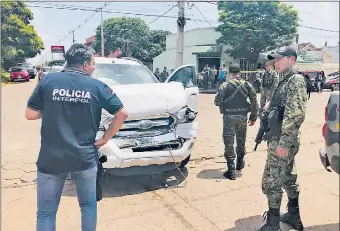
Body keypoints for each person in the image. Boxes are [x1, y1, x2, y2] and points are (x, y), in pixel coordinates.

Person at [25, 43, 128, 231]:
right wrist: (105, 138)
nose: (94, 68)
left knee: (46, 212)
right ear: (85, 64)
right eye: (94, 64)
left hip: (51, 158)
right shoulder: (97, 86)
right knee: (88, 206)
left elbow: (30, 114)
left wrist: (52, 109)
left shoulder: (48, 81)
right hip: (84, 158)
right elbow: (122, 114)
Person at [257, 46, 307, 231]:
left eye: (279, 59)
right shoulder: (284, 80)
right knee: (288, 177)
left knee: (270, 181)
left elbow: (296, 114)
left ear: (291, 59)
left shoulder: (295, 80)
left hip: (283, 140)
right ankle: (294, 215)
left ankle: (273, 224)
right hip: (283, 138)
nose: (275, 62)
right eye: (274, 60)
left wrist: (284, 143)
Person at [214, 63, 258, 180]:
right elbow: (255, 102)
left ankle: (231, 170)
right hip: (243, 117)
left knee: (229, 143)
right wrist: (253, 117)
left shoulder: (225, 85)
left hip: (229, 117)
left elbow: (217, 101)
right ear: (240, 73)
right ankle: (239, 163)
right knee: (241, 140)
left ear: (230, 73)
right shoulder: (247, 84)